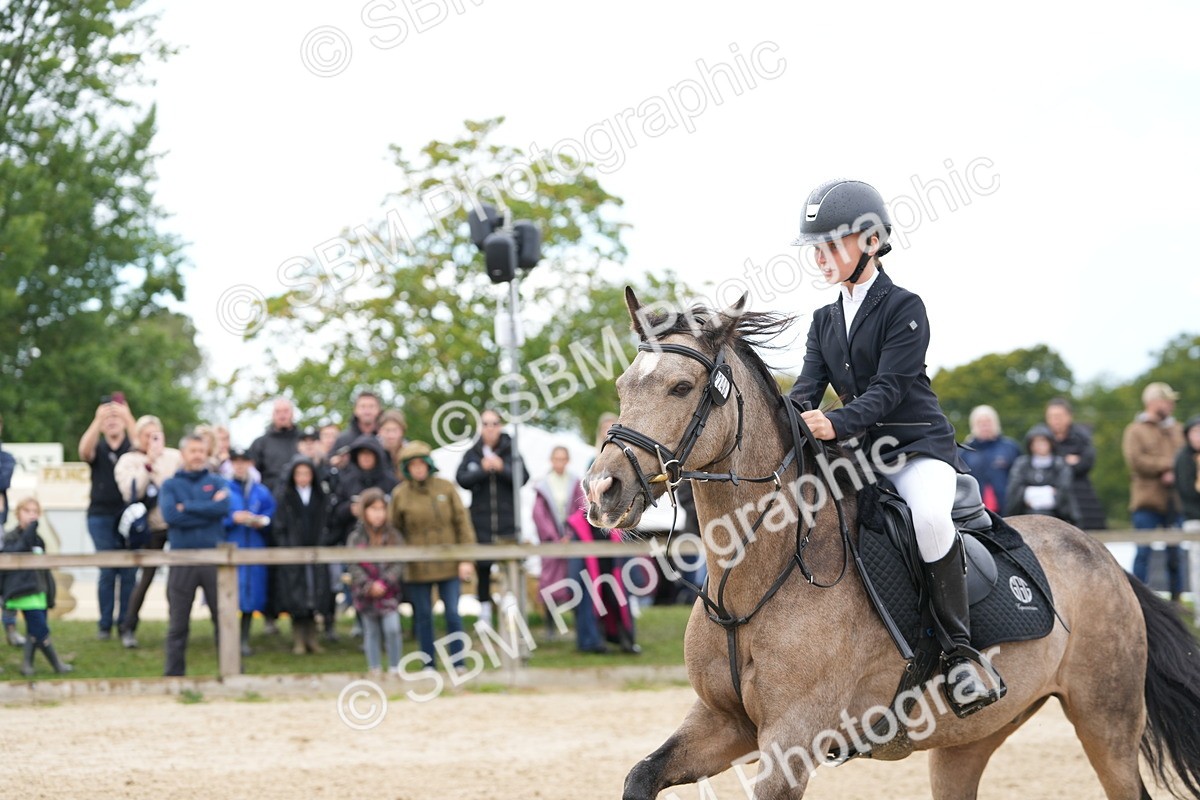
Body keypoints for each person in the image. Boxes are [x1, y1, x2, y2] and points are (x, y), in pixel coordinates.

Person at [787, 178, 1000, 715]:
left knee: (929, 518)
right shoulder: (823, 320)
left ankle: (959, 654)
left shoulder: (905, 306)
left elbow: (889, 389)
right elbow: (805, 391)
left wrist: (834, 423)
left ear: (872, 242)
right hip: (860, 456)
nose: (821, 256)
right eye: (817, 247)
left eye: (832, 244)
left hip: (917, 448)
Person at [390, 441, 475, 672]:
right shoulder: (400, 495)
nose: (418, 469)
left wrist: (466, 559)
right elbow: (394, 530)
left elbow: (462, 523)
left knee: (453, 614)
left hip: (449, 562)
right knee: (424, 616)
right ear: (407, 468)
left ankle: (458, 661)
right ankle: (429, 663)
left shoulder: (446, 488)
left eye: (421, 464)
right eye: (413, 465)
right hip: (418, 566)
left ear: (428, 464)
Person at [160, 433, 230, 677]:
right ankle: (174, 676)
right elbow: (170, 516)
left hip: (213, 559)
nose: (198, 455)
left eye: (202, 450)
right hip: (181, 559)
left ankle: (231, 672)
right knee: (178, 624)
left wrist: (187, 506)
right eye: (193, 450)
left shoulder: (218, 481)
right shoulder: (170, 485)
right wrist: (208, 509)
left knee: (222, 621)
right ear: (183, 454)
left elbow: (223, 508)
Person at [114, 415, 183, 648]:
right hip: (148, 529)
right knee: (145, 578)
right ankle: (128, 626)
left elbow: (174, 489)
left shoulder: (174, 457)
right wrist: (148, 464)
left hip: (174, 526)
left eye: (156, 435)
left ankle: (177, 628)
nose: (152, 440)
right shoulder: (128, 460)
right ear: (138, 437)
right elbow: (129, 492)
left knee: (177, 580)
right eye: (147, 435)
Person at [455, 409, 527, 629]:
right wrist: (483, 470)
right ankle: (484, 615)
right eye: (486, 424)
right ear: (480, 427)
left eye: (494, 423)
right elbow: (461, 479)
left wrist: (501, 468)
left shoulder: (511, 450)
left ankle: (511, 614)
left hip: (507, 523)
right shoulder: (473, 452)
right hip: (481, 524)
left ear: (501, 426)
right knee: (483, 569)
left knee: (509, 569)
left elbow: (523, 477)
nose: (490, 428)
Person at [78, 397, 138, 642]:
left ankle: (125, 623)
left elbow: (142, 443)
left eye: (117, 419)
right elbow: (84, 451)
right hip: (100, 515)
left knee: (127, 571)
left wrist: (127, 415)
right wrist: (98, 419)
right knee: (107, 570)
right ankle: (105, 624)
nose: (112, 422)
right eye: (107, 419)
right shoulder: (99, 447)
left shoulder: (131, 447)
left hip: (128, 515)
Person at [1123, 382, 1185, 601]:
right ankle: (1139, 601)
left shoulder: (1177, 429)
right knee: (1143, 553)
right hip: (1146, 502)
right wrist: (1167, 466)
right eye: (1167, 401)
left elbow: (1186, 455)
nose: (1171, 405)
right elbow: (1136, 461)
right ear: (1153, 402)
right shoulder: (1135, 430)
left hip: (1174, 501)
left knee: (1175, 554)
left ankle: (1176, 601)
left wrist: (1175, 469)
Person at [1, 498, 72, 675]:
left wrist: (50, 592)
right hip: (22, 592)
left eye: (35, 511)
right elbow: (15, 553)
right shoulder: (11, 537)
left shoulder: (38, 540)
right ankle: (57, 665)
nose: (31, 515)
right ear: (18, 514)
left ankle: (27, 665)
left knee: (35, 630)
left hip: (39, 591)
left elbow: (44, 569)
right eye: (27, 511)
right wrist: (28, 534)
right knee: (41, 629)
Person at [273, 457, 333, 655]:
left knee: (314, 595)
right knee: (296, 596)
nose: (303, 477)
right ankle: (299, 640)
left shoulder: (320, 496)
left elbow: (327, 523)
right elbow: (278, 526)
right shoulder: (285, 496)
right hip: (293, 554)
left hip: (316, 552)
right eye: (299, 474)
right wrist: (287, 547)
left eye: (306, 473)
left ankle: (313, 639)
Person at [346, 487, 405, 676]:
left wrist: (385, 583)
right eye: (373, 509)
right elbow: (353, 564)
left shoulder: (394, 536)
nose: (378, 514)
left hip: (389, 592)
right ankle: (375, 669)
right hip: (366, 593)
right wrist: (368, 585)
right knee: (371, 631)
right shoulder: (356, 537)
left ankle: (395, 668)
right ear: (364, 511)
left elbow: (399, 562)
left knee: (393, 628)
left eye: (381, 509)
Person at [223, 448, 275, 657]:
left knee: (250, 596)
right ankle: (227, 638)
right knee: (228, 593)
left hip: (253, 547)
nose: (240, 465)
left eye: (244, 461)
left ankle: (244, 639)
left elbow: (271, 514)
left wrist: (260, 521)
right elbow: (215, 516)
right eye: (236, 461)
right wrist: (232, 519)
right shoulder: (224, 489)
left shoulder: (260, 491)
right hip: (230, 546)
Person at [532, 446, 584, 638]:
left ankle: (576, 623)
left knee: (573, 580)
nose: (559, 463)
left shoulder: (575, 482)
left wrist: (570, 533)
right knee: (549, 582)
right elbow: (539, 514)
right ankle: (550, 625)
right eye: (556, 459)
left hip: (570, 540)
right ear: (551, 461)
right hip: (551, 542)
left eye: (563, 459)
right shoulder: (543, 484)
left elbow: (581, 508)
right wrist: (554, 537)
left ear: (567, 460)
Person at [1044, 398, 1106, 529]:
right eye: (1051, 416)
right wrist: (1065, 461)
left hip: (1081, 495)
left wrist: (1057, 462)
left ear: (1069, 416)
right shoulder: (1040, 438)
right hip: (1051, 498)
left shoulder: (1082, 437)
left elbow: (1086, 463)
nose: (1055, 420)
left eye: (1059, 416)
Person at [1003, 426, 1079, 524]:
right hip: (1026, 516)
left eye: (1043, 441)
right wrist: (1043, 492)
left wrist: (1032, 493)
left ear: (1051, 443)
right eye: (1036, 442)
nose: (1040, 445)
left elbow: (1064, 490)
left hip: (1056, 518)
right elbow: (1014, 489)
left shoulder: (1060, 465)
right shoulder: (1022, 464)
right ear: (1030, 445)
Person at [960, 405, 1021, 514]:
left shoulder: (1010, 447)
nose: (984, 426)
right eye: (980, 422)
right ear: (973, 425)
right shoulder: (964, 452)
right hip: (975, 511)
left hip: (1008, 510)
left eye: (988, 422)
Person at [249, 398, 300, 493]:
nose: (282, 415)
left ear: (292, 414)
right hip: (270, 492)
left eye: (286, 411)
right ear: (272, 415)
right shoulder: (260, 443)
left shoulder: (304, 440)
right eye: (278, 411)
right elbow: (252, 472)